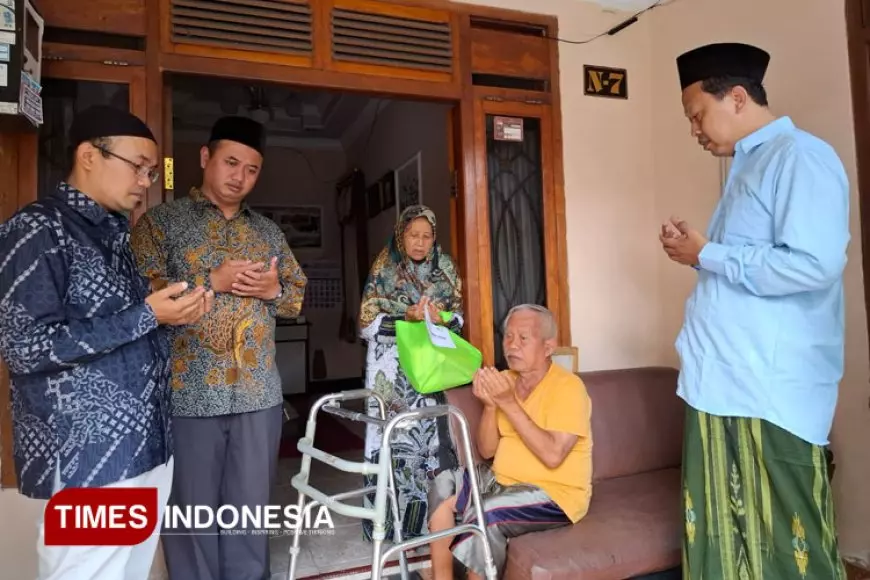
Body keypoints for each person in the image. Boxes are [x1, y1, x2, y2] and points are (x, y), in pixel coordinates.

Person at [660, 42, 848, 579]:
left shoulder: (800, 157)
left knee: (791, 545)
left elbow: (814, 265)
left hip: (771, 392)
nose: (695, 129)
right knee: (720, 538)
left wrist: (709, 253)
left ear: (737, 97)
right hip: (722, 385)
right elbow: (750, 269)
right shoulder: (746, 168)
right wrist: (698, 256)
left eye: (698, 115)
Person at [0, 105, 212, 579]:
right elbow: (25, 347)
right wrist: (147, 314)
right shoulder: (38, 229)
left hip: (145, 445)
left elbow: (123, 327)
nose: (146, 181)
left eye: (152, 171)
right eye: (138, 165)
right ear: (89, 156)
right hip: (90, 457)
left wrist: (170, 314)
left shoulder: (116, 237)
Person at [130, 116, 307, 580]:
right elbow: (137, 295)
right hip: (187, 394)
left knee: (250, 509)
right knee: (191, 513)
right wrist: (214, 280)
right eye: (231, 162)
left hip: (257, 394)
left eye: (252, 169)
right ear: (206, 157)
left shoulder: (267, 232)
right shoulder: (161, 222)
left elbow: (296, 294)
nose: (240, 177)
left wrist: (272, 291)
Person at [426, 304, 591, 580]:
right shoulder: (506, 380)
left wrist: (507, 402)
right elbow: (487, 450)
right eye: (508, 337)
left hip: (555, 494)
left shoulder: (570, 388)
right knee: (443, 482)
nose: (512, 345)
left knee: (487, 513)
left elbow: (553, 455)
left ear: (548, 347)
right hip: (501, 480)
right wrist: (491, 407)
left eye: (523, 338)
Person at [358, 205, 463, 542]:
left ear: (434, 238)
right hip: (391, 373)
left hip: (431, 369)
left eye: (426, 236)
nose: (419, 243)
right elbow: (365, 325)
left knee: (430, 444)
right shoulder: (383, 268)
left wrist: (437, 316)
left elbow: (459, 320)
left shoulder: (445, 268)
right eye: (412, 235)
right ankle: (385, 526)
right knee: (391, 439)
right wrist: (406, 316)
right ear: (401, 235)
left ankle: (432, 523)